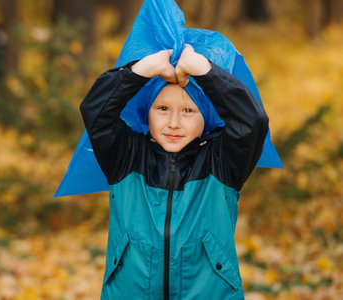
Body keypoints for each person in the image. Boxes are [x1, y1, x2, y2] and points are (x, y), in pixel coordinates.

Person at [80, 44, 268, 299]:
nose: (173, 123)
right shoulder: (125, 156)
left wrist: (204, 71)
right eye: (162, 109)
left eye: (188, 111)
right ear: (147, 113)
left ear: (207, 118)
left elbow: (252, 121)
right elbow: (96, 110)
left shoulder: (222, 161)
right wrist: (143, 69)